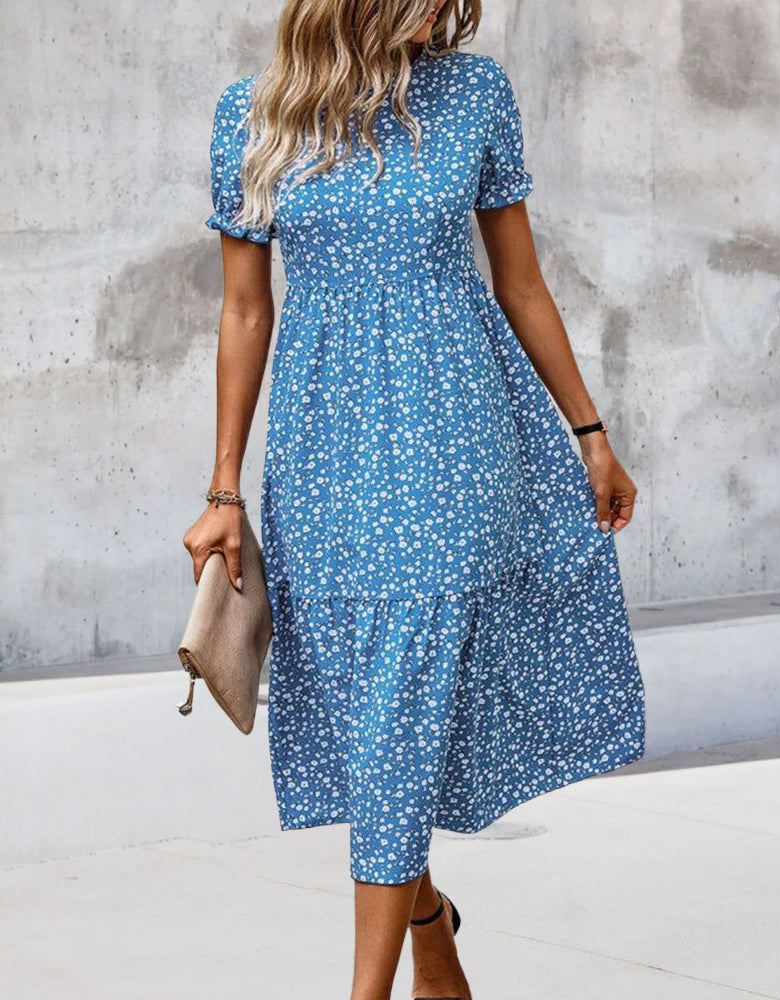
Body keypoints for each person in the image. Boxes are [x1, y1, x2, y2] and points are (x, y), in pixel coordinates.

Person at [182, 1, 646, 997]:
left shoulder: (476, 95)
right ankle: (426, 917)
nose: (446, 9)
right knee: (370, 703)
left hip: (453, 433)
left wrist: (589, 435)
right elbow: (244, 306)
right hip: (320, 448)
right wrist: (224, 485)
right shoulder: (253, 117)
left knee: (401, 682)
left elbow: (519, 283)